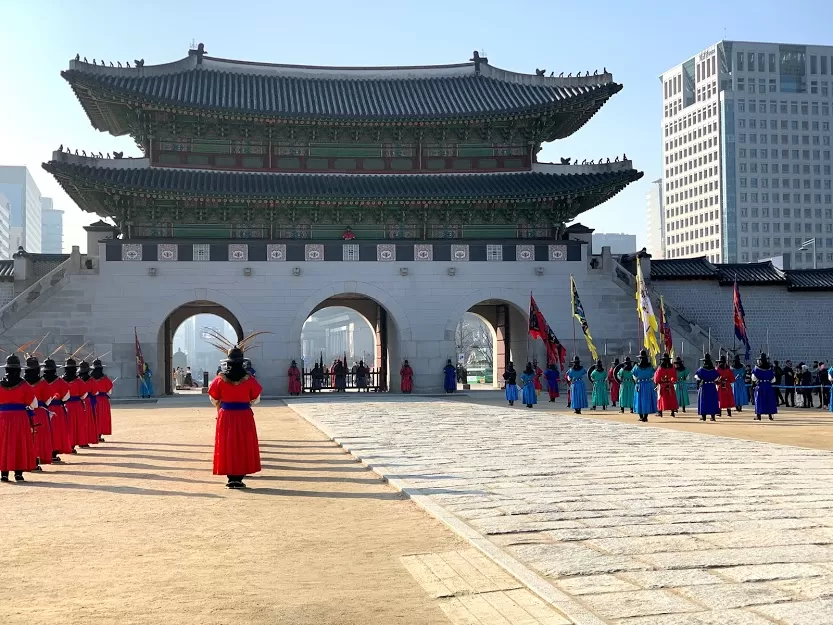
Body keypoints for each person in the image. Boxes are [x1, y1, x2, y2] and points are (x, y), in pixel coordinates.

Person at [208, 345, 263, 489]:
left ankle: (231, 477)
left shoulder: (220, 379)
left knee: (227, 444)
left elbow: (213, 398)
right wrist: (246, 402)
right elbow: (256, 398)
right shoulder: (249, 379)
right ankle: (239, 477)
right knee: (243, 444)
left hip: (226, 415)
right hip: (244, 415)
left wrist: (222, 404)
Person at [0, 354, 38, 482]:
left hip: (2, 418)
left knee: (4, 444)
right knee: (19, 443)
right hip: (20, 417)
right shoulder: (24, 385)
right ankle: (18, 473)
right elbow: (34, 404)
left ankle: (4, 473)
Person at [24, 356, 52, 471]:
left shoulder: (22, 382)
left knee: (26, 438)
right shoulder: (43, 382)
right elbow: (48, 400)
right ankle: (36, 460)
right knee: (39, 437)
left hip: (24, 412)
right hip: (39, 412)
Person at [41, 358, 71, 463]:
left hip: (43, 409)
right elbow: (66, 397)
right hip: (57, 409)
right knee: (56, 431)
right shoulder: (60, 382)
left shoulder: (40, 381)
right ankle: (53, 453)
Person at [62, 357, 88, 451]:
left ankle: (69, 444)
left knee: (67, 425)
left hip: (65, 405)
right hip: (77, 405)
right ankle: (75, 443)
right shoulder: (79, 381)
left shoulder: (61, 381)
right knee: (77, 425)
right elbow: (84, 395)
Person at [91, 359, 113, 442]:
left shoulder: (90, 379)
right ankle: (99, 435)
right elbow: (110, 392)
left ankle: (93, 435)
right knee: (102, 418)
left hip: (93, 399)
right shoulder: (105, 379)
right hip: (103, 400)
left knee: (93, 417)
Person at [78, 361, 99, 446]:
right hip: (88, 402)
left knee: (80, 423)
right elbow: (95, 392)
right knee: (88, 422)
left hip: (78, 402)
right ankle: (86, 440)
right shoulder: (91, 380)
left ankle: (80, 440)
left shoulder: (77, 380)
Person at [633, 350, 657, 422]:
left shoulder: (636, 367)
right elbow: (654, 375)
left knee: (639, 400)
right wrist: (650, 379)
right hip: (648, 384)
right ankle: (645, 417)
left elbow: (634, 376)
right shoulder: (650, 367)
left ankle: (641, 416)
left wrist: (637, 380)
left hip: (640, 384)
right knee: (646, 400)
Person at [695, 353, 720, 422]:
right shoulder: (713, 370)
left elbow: (697, 378)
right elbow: (717, 379)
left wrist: (698, 384)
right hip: (712, 386)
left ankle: (704, 417)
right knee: (712, 401)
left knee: (704, 401)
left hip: (704, 387)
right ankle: (713, 417)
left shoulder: (701, 370)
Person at [752, 353, 777, 421]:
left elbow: (753, 378)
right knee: (769, 400)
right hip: (768, 386)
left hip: (760, 386)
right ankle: (770, 416)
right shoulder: (769, 369)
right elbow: (773, 380)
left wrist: (757, 380)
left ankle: (759, 415)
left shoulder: (756, 369)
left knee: (759, 401)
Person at [653, 353, 678, 418]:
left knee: (660, 398)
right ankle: (672, 412)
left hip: (662, 385)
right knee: (671, 398)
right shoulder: (672, 367)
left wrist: (657, 383)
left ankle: (660, 412)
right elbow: (675, 377)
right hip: (670, 384)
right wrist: (671, 381)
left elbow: (656, 378)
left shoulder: (660, 368)